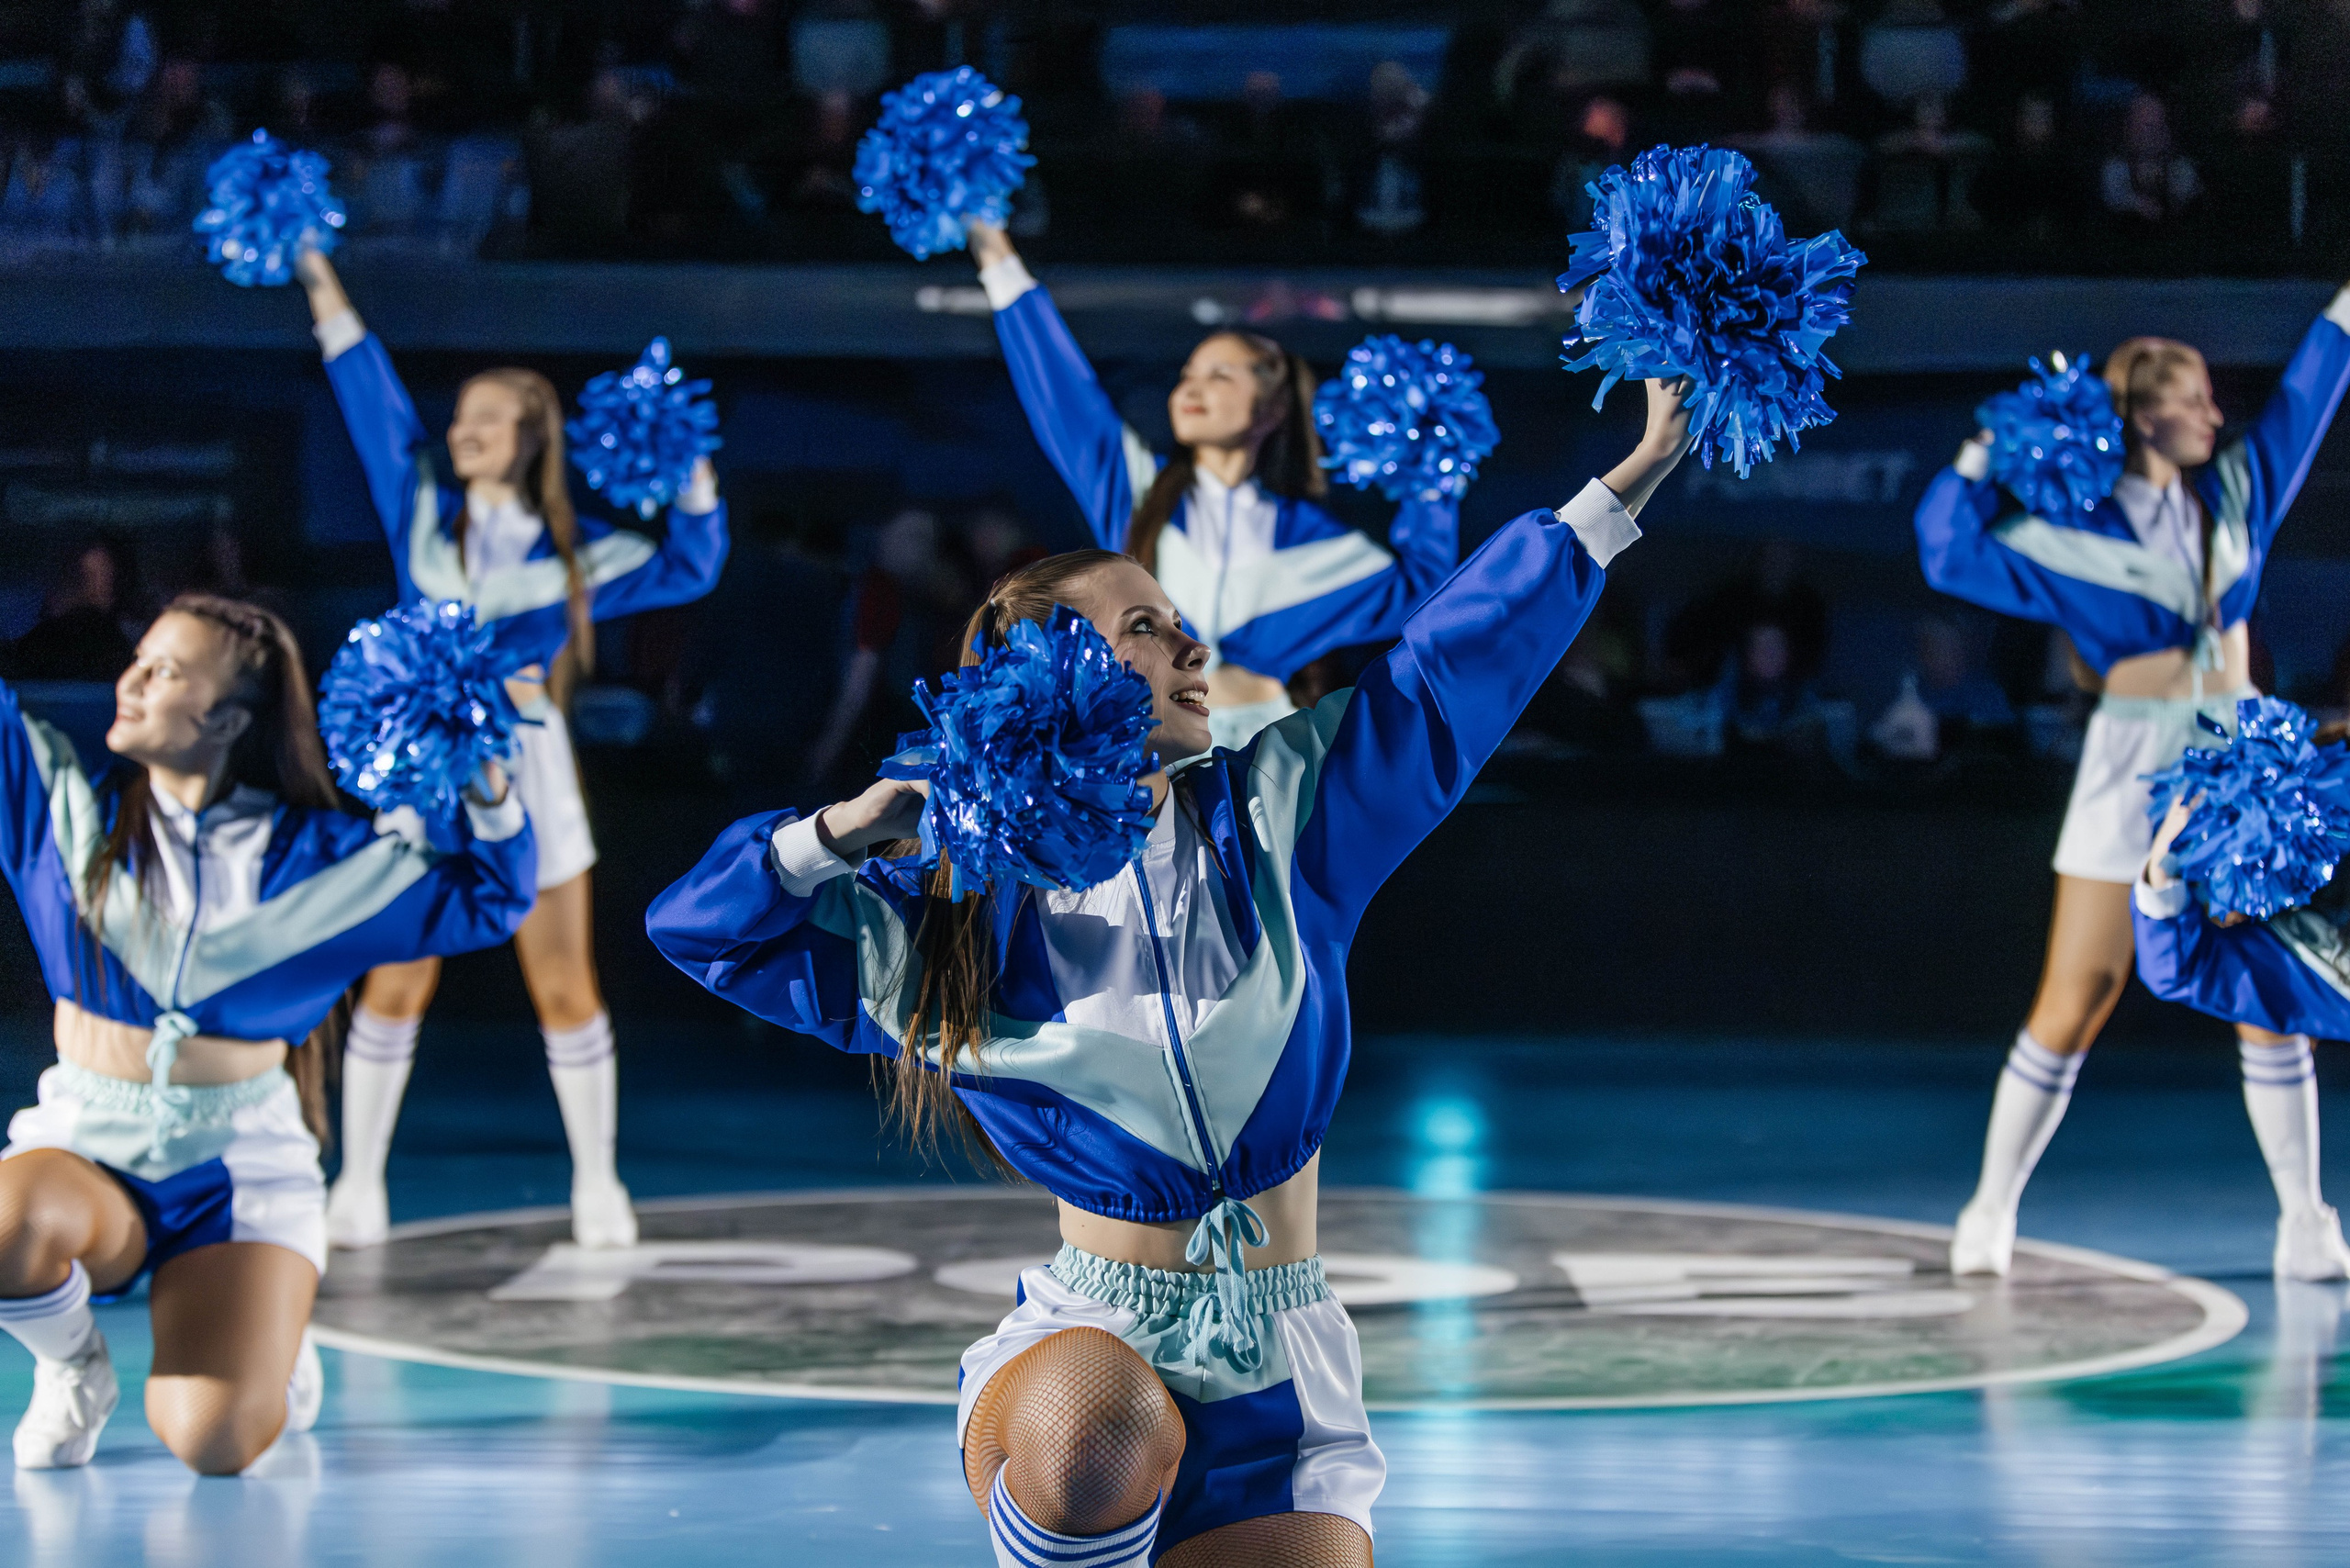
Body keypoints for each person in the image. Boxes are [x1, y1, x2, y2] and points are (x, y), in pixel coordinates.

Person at [648, 380, 1691, 1567]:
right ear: (1040, 666)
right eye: (1144, 627)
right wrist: (840, 832)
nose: (1191, 644)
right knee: (1103, 1429)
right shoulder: (947, 906)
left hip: (1284, 1353)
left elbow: (1457, 667)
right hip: (1094, 1344)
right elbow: (704, 930)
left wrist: (1633, 476)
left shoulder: (1292, 804)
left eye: (1178, 620)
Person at [0, 596, 533, 1473]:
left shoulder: (332, 861)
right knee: (9, 1222)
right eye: (137, 659)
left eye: (165, 671)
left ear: (228, 719)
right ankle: (71, 1367)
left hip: (239, 1166)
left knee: (214, 1441)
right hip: (87, 1145)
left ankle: (270, 1330)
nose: (129, 681)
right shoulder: (59, 808)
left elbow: (490, 896)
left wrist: (478, 763)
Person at [294, 248, 729, 1250]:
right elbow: (370, 395)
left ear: (530, 436)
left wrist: (687, 462)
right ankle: (357, 1183)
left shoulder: (581, 559)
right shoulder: (419, 515)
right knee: (395, 973)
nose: (461, 432)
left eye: (486, 420)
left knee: (563, 982)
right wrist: (320, 277)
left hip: (526, 769)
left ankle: (596, 1184)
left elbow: (695, 562)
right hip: (420, 771)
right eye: (458, 420)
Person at [1913, 285, 2350, 1277]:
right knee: (2078, 993)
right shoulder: (2071, 535)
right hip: (2132, 763)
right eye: (2195, 399)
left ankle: (2303, 1221)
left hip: (2240, 768)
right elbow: (1945, 546)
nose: (2212, 415)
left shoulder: (2237, 497)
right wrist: (1989, 445)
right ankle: (1988, 1206)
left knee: (2266, 995)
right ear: (2148, 415)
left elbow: (2309, 393)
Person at [967, 218, 1459, 751]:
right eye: (1187, 375)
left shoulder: (1321, 543)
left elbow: (1427, 590)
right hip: (1141, 743)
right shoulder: (1139, 491)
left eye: (1221, 375)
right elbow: (1065, 398)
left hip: (1269, 751)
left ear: (1273, 409)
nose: (1192, 389)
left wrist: (1433, 462)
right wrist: (993, 249)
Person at [2132, 782, 2350, 1278]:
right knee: (2264, 1007)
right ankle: (2302, 1222)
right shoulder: (2304, 952)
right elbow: (2182, 970)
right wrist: (2163, 872)